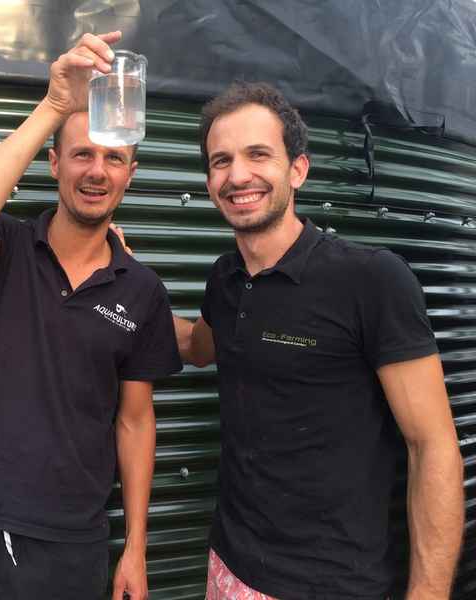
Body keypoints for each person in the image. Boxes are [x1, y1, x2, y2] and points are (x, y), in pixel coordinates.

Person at [0, 32, 181, 600]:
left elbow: (135, 422)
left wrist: (135, 546)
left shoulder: (142, 289)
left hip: (67, 543)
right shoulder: (8, 245)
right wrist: (55, 106)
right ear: (54, 163)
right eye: (82, 154)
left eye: (113, 157)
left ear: (130, 174)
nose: (97, 171)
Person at [172, 82, 464, 599]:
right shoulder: (225, 279)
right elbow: (198, 346)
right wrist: (121, 285)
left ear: (298, 170)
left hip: (330, 585)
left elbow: (433, 447)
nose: (237, 175)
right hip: (230, 567)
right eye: (221, 161)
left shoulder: (371, 280)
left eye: (258, 154)